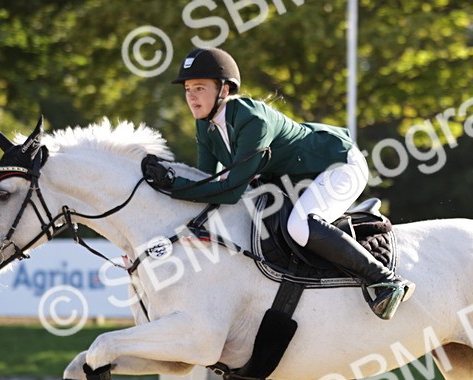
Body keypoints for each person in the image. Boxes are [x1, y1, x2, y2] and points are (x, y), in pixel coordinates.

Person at [140, 47, 413, 320]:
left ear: (224, 89)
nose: (191, 96)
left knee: (300, 226)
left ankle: (386, 280)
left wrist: (173, 185)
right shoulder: (205, 125)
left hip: (338, 165)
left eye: (199, 88)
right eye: (187, 89)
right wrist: (166, 189)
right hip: (298, 179)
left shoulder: (252, 120)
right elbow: (206, 181)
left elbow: (230, 191)